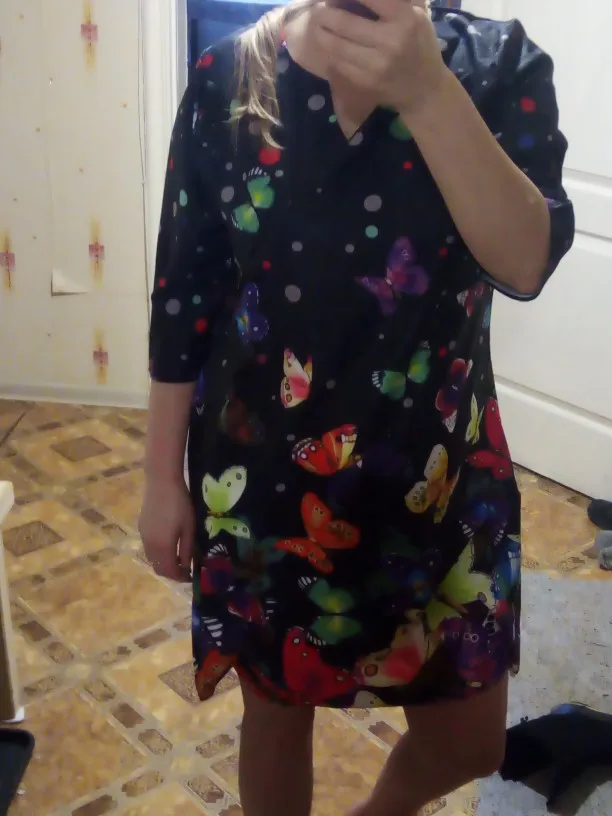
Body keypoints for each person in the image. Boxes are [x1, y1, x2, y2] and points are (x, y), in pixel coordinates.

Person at [139, 1, 575, 813]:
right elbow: (183, 296)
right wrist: (161, 477)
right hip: (268, 487)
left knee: (469, 741)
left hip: (439, 485)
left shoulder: (496, 66)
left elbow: (525, 262)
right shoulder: (228, 79)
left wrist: (428, 91)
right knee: (276, 714)